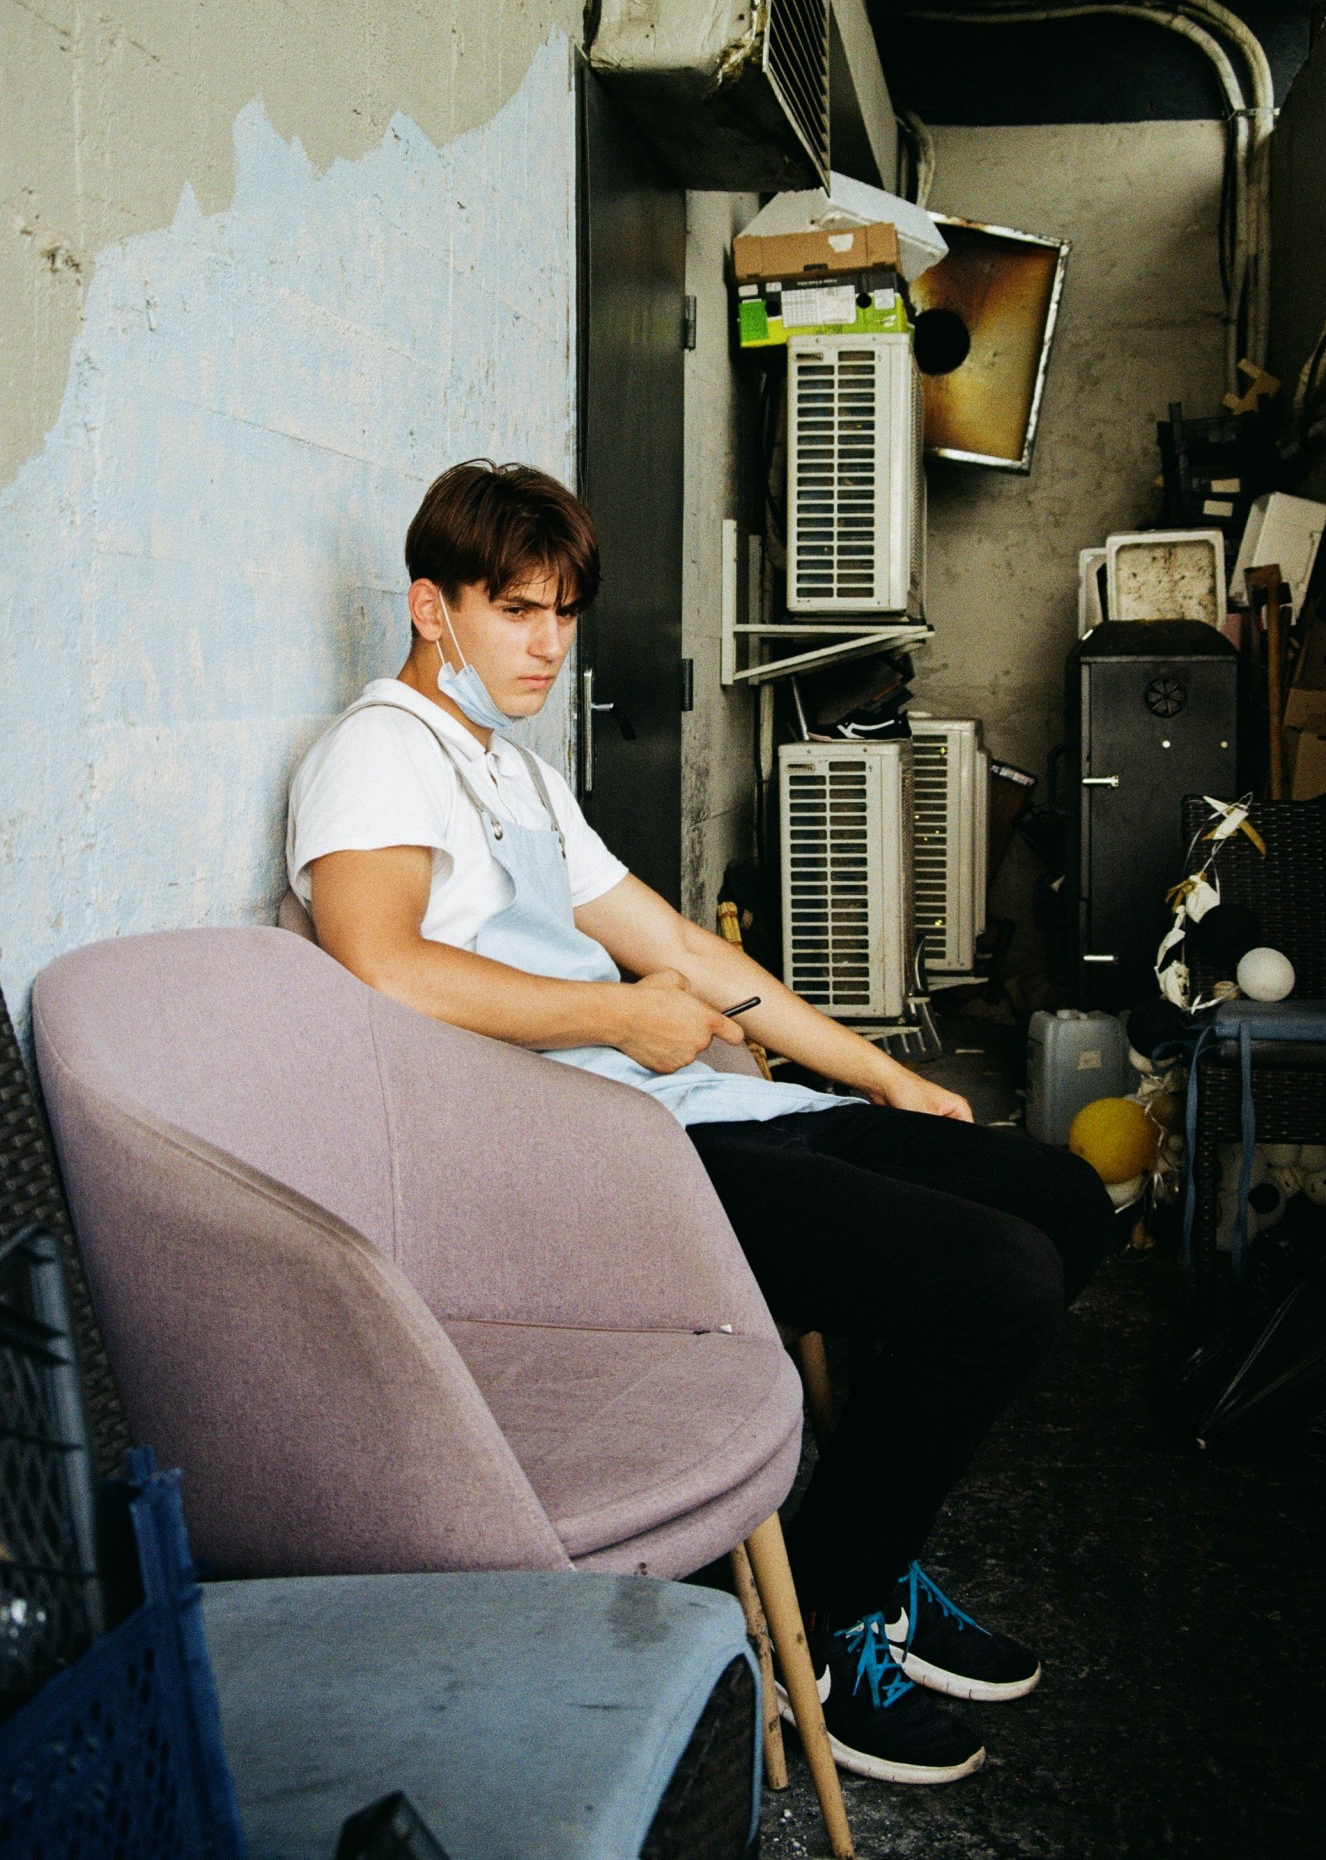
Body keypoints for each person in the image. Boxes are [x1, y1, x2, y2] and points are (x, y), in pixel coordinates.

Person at [287, 459, 1115, 1787]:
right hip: (592, 1171)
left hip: (698, 1113)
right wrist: (616, 1021)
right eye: (516, 611)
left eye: (563, 613)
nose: (549, 645)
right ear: (429, 608)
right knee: (996, 1285)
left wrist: (881, 1077)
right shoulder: (375, 754)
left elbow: (669, 941)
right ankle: (828, 1624)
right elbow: (378, 965)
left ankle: (864, 1552)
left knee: (1061, 1203)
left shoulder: (506, 767)